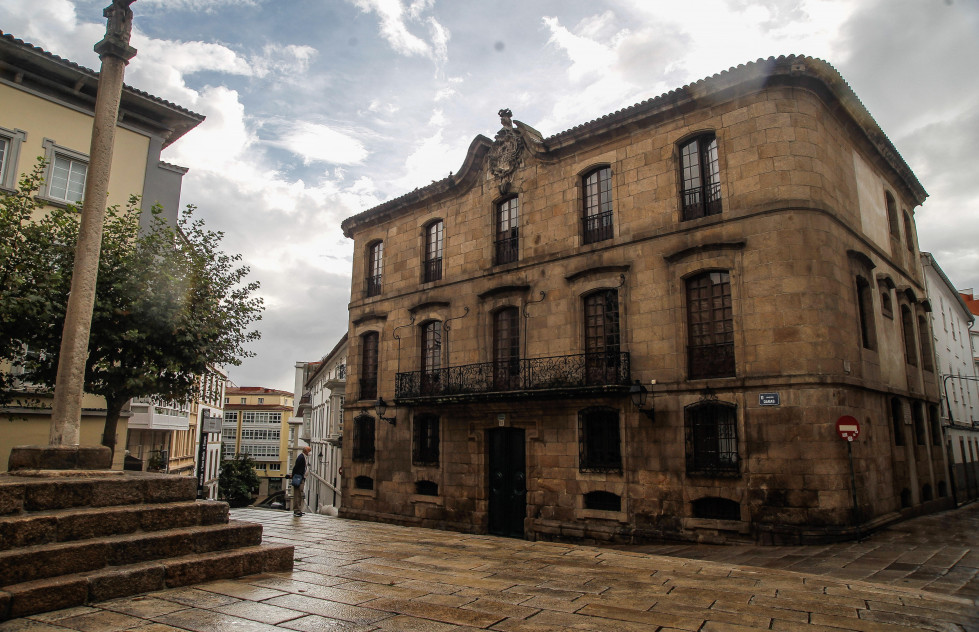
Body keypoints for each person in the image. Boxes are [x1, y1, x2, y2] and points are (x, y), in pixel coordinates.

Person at [292, 445, 310, 516]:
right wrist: (294, 476)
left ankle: (299, 509)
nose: (310, 453)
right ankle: (297, 510)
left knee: (300, 494)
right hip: (299, 478)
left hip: (301, 478)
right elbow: (296, 467)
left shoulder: (303, 457)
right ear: (305, 451)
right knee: (298, 494)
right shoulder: (301, 457)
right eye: (309, 451)